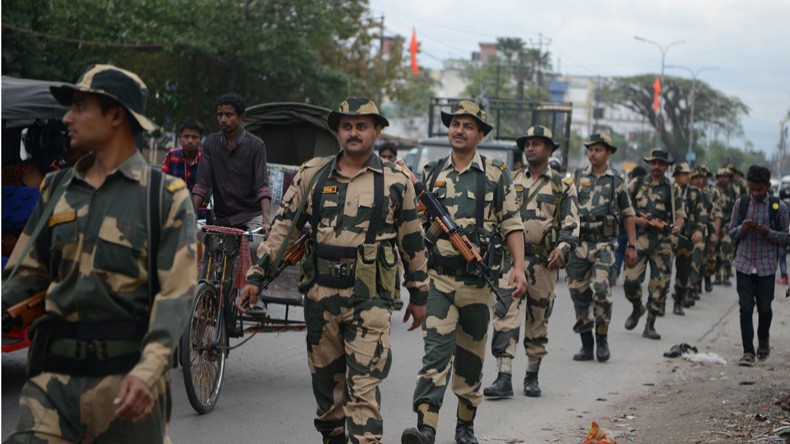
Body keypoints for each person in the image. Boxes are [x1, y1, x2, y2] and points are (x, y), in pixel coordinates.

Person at [2, 64, 197, 443]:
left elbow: (176, 296)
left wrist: (150, 369)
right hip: (52, 382)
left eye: (79, 106)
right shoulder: (55, 188)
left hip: (127, 386)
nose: (67, 118)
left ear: (115, 115)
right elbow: (24, 275)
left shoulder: (164, 197)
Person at [238, 98, 429, 444]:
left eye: (362, 126)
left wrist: (419, 294)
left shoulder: (396, 180)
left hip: (370, 299)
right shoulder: (312, 174)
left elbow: (412, 240)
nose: (353, 132)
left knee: (364, 390)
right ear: (337, 131)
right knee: (328, 395)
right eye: (347, 126)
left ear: (377, 130)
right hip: (321, 297)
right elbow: (283, 230)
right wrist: (255, 277)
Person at [401, 100, 527, 444]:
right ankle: (426, 428)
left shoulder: (496, 173)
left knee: (471, 360)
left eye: (468, 125)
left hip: (477, 284)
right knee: (435, 355)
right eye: (455, 123)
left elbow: (512, 223)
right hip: (438, 280)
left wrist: (518, 266)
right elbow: (412, 224)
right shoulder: (431, 171)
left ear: (481, 134)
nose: (459, 130)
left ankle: (465, 427)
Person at [482, 125, 578, 400]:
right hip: (511, 262)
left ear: (549, 149)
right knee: (504, 314)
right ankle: (503, 376)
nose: (530, 148)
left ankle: (532, 376)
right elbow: (496, 215)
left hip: (544, 263)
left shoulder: (562, 184)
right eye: (527, 144)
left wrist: (562, 248)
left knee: (538, 319)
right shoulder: (510, 179)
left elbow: (571, 222)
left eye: (537, 144)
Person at [565, 133, 635, 363]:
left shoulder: (617, 181)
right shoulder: (575, 177)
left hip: (604, 245)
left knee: (602, 293)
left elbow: (628, 215)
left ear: (608, 153)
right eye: (590, 149)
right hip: (579, 244)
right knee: (578, 294)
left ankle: (602, 339)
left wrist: (632, 245)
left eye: (598, 149)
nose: (592, 153)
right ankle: (586, 344)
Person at [191, 93, 272, 255]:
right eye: (219, 115)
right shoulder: (210, 144)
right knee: (202, 248)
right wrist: (188, 214)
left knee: (255, 248)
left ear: (241, 117)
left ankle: (251, 281)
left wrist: (266, 221)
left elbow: (262, 187)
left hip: (250, 215)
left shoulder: (256, 146)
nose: (223, 119)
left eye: (229, 115)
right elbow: (201, 185)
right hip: (222, 217)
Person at [728, 165, 789, 366]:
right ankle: (748, 351)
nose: (755, 193)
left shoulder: (778, 207)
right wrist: (742, 228)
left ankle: (763, 338)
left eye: (759, 190)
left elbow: (786, 237)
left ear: (768, 186)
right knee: (745, 308)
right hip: (744, 264)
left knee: (764, 308)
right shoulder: (741, 204)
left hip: (766, 266)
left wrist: (767, 232)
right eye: (752, 189)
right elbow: (731, 231)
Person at [623, 148, 685, 340]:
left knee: (659, 287)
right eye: (653, 163)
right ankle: (637, 307)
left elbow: (681, 215)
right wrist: (636, 221)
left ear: (666, 166)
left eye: (661, 163)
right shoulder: (636, 183)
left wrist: (678, 227)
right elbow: (623, 210)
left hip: (662, 242)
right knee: (630, 281)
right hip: (639, 239)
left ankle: (650, 325)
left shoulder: (672, 189)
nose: (656, 166)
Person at [670, 163, 708, 315]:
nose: (688, 176)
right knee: (663, 272)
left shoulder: (695, 193)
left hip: (686, 238)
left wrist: (699, 230)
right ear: (677, 176)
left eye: (688, 174)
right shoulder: (669, 189)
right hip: (668, 237)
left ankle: (679, 301)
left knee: (683, 272)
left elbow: (702, 214)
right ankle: (657, 303)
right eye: (685, 174)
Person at [690, 166, 722, 295]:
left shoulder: (712, 192)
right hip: (691, 228)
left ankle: (704, 279)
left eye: (703, 176)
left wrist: (715, 234)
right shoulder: (689, 191)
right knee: (693, 259)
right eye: (698, 176)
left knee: (706, 259)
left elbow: (716, 215)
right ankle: (692, 287)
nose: (701, 179)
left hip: (707, 228)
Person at [614, 166, 647, 279]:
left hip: (639, 224)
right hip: (629, 220)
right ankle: (615, 273)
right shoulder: (634, 185)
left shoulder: (635, 184)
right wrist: (637, 220)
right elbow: (623, 207)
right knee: (620, 246)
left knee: (622, 247)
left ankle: (618, 273)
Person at [161, 116, 203, 192]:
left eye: (194, 137)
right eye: (186, 136)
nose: (190, 141)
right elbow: (163, 182)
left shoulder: (206, 158)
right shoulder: (171, 155)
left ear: (200, 139)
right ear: (180, 137)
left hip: (200, 203)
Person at [714, 167, 737, 286]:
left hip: (728, 225)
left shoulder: (733, 192)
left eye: (726, 177)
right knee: (716, 252)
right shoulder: (713, 191)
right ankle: (717, 276)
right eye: (721, 176)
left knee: (727, 252)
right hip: (715, 225)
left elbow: (737, 210)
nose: (724, 179)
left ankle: (726, 276)